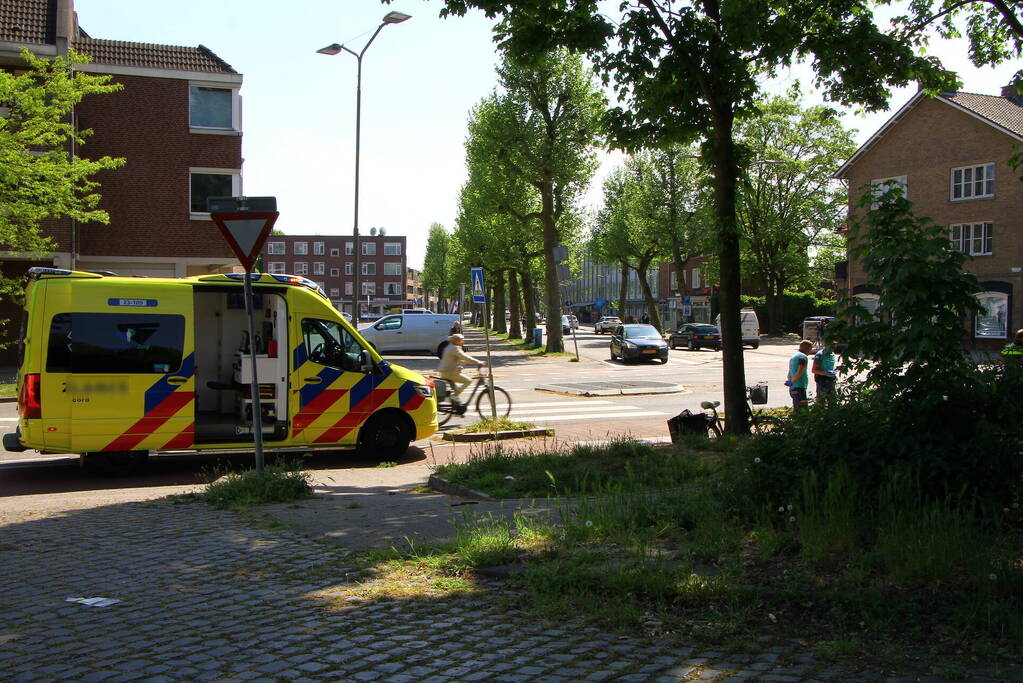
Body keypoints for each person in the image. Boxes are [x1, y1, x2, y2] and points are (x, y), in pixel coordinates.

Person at [438, 333, 483, 405]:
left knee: (457, 390)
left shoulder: (449, 347)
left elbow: (458, 360)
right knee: (468, 381)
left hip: (445, 372)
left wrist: (469, 362)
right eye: (461, 340)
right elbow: (465, 357)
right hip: (450, 373)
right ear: (457, 341)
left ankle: (456, 406)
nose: (463, 341)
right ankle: (454, 396)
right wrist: (478, 362)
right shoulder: (455, 348)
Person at [785, 340, 813, 410]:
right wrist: (792, 381)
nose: (810, 352)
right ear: (807, 348)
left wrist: (790, 381)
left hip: (793, 388)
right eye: (810, 349)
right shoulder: (803, 357)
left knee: (797, 408)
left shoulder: (793, 356)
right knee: (803, 410)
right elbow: (800, 371)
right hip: (799, 387)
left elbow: (790, 372)